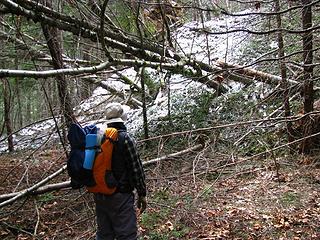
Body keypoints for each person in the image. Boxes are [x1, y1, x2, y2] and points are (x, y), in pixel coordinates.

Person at [94, 102, 147, 240]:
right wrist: (142, 193)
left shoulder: (98, 137)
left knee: (104, 235)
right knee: (126, 235)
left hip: (100, 195)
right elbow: (136, 169)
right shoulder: (125, 138)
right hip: (121, 196)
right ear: (122, 118)